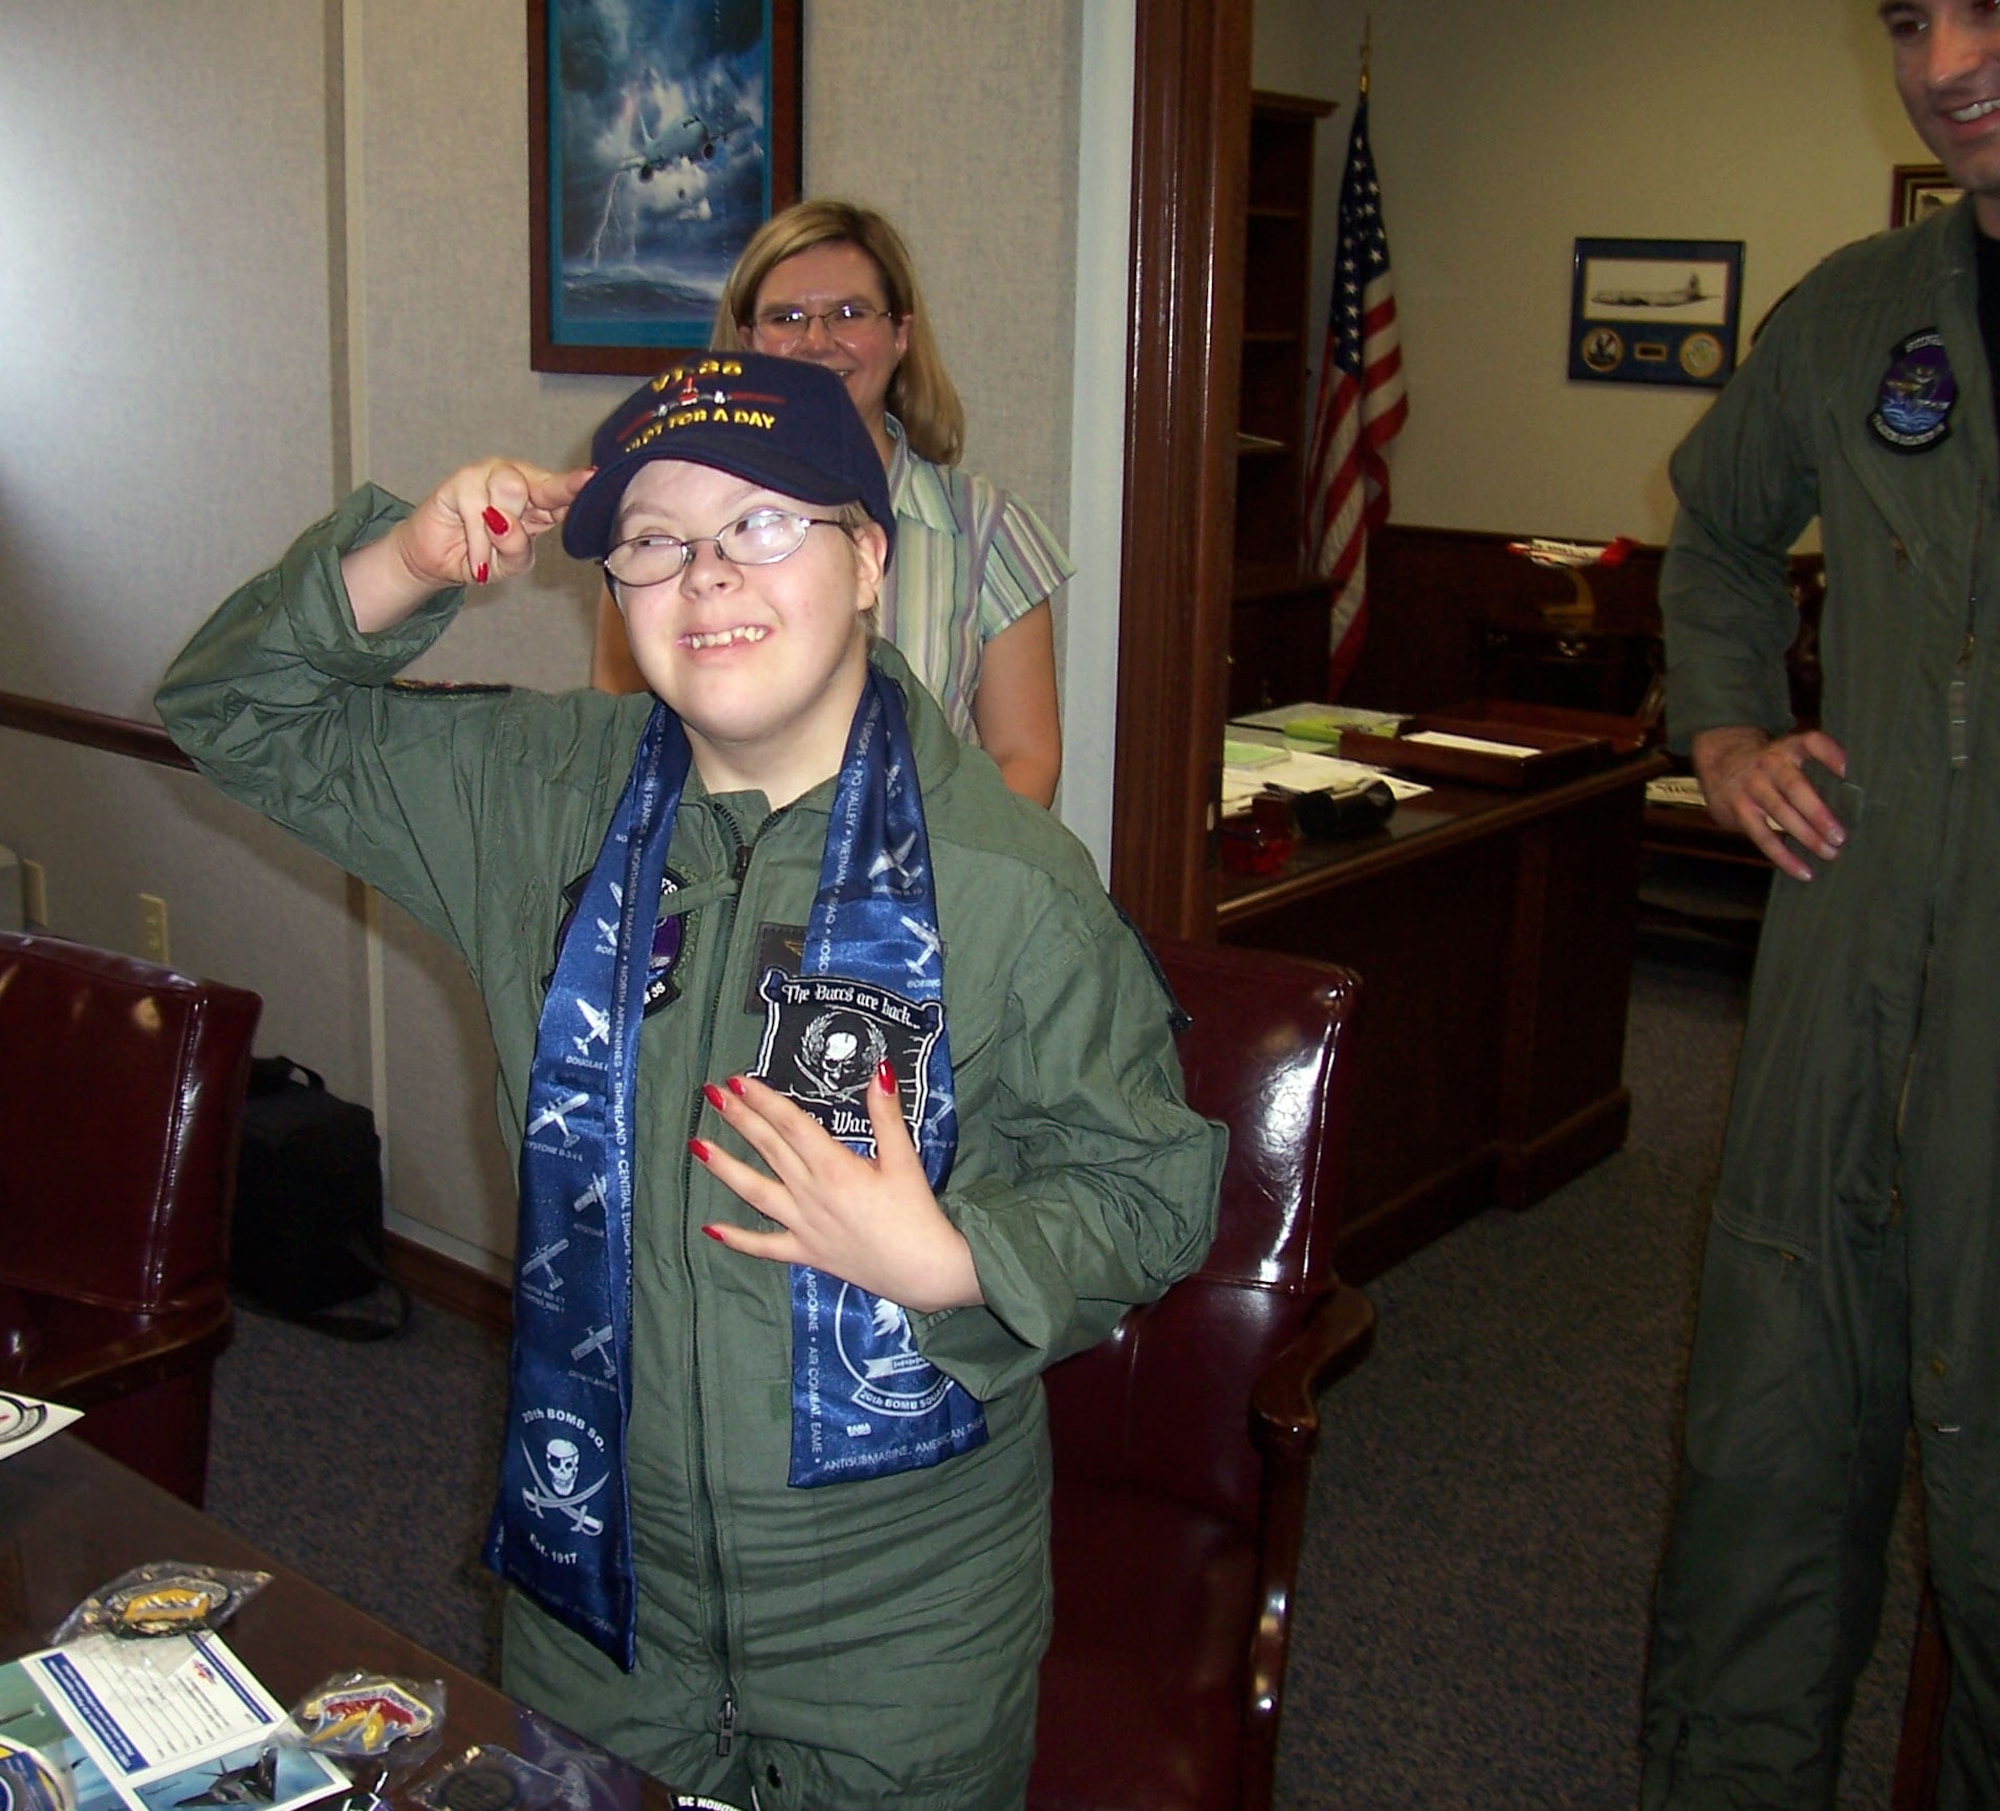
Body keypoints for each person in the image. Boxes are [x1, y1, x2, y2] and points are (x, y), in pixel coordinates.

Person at [157, 353, 1224, 1811]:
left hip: (898, 1617)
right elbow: (233, 710)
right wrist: (409, 556)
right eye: (655, 540)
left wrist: (960, 1254)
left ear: (868, 560)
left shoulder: (1005, 880)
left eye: (765, 523)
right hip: (598, 1585)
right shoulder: (536, 800)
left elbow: (1147, 1185)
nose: (708, 576)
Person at [1641, 4, 2000, 1803]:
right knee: (1772, 1466)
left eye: (1985, 8)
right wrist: (1723, 723)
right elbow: (1714, 532)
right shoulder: (1864, 315)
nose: (1945, 58)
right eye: (1909, 16)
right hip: (1844, 971)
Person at [591, 200, 1070, 808]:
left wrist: (945, 878)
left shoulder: (988, 529)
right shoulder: (656, 530)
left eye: (848, 313)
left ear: (901, 334)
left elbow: (1026, 758)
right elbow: (620, 739)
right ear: (746, 342)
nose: (815, 342)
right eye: (785, 317)